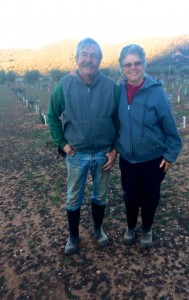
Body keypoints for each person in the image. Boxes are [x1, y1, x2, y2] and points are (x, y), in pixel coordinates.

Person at [46, 38, 119, 255]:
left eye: (94, 55)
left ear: (100, 60)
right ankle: (73, 236)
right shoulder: (65, 85)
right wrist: (62, 143)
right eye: (85, 54)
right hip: (76, 154)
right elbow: (51, 116)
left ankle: (98, 229)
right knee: (73, 197)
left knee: (101, 195)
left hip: (103, 154)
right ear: (77, 58)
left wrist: (115, 149)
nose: (89, 59)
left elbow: (119, 121)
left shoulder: (111, 87)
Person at [116, 44, 182, 248]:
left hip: (153, 159)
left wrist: (170, 156)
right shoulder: (117, 92)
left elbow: (171, 129)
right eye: (128, 64)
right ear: (122, 67)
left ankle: (146, 230)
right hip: (127, 158)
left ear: (143, 64)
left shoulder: (157, 93)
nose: (133, 67)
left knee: (150, 196)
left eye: (137, 63)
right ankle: (130, 227)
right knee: (130, 196)